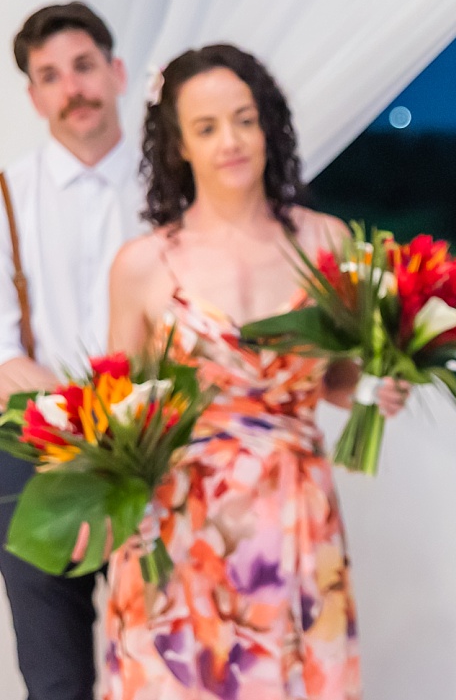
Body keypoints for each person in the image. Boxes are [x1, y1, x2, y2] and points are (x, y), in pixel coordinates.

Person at [103, 43, 406, 700]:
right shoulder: (142, 264)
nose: (231, 141)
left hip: (295, 517)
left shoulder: (329, 242)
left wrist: (378, 385)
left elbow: (337, 381)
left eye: (244, 118)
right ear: (178, 144)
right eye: (207, 127)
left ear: (268, 122)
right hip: (178, 528)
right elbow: (118, 417)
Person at [0, 3, 143, 700]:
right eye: (50, 75)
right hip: (34, 453)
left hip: (151, 447)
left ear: (115, 72)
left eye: (84, 66)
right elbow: (2, 358)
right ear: (33, 95)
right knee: (54, 677)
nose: (72, 87)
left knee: (166, 655)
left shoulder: (172, 188)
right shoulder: (4, 195)